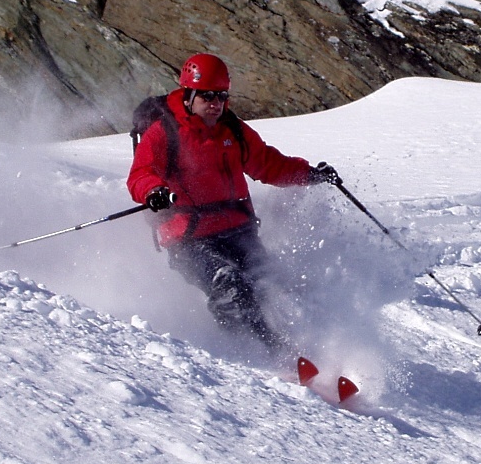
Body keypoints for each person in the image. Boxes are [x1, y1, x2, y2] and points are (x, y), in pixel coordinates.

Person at [127, 53, 340, 349]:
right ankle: (258, 350)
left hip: (238, 231)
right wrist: (154, 192)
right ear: (188, 95)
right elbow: (141, 174)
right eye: (207, 96)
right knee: (228, 282)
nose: (215, 104)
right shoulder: (164, 133)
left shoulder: (233, 130)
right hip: (188, 238)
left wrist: (309, 174)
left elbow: (268, 164)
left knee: (274, 283)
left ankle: (308, 346)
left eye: (222, 96)